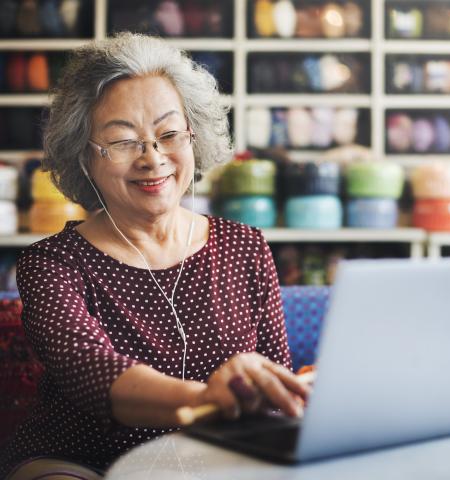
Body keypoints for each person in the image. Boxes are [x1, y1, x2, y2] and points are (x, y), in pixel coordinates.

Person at [0, 33, 308, 479]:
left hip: (215, 458)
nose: (153, 157)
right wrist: (210, 397)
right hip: (84, 461)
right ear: (84, 156)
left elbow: (275, 386)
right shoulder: (53, 264)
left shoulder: (246, 246)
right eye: (124, 141)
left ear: (194, 135)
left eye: (168, 134)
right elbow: (95, 376)